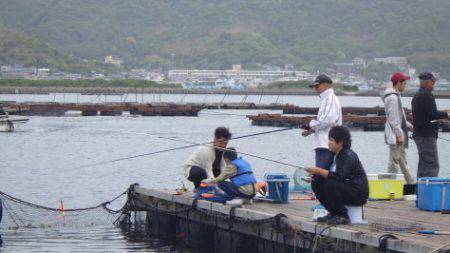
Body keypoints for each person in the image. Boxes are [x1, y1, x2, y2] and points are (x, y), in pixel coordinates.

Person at [306, 126, 369, 225]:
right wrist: (315, 175)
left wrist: (317, 170)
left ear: (340, 143)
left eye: (331, 140)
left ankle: (342, 216)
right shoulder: (333, 154)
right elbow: (326, 173)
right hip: (344, 188)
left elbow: (338, 176)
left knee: (330, 184)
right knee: (316, 181)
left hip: (358, 193)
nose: (328, 143)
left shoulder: (347, 155)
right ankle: (333, 212)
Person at [411, 72, 449, 178]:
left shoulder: (418, 95)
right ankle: (429, 191)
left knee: (423, 166)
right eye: (433, 82)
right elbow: (433, 114)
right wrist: (447, 114)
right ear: (428, 82)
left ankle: (421, 190)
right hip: (426, 137)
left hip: (420, 135)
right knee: (432, 165)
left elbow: (427, 114)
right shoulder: (427, 95)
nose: (434, 84)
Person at [301, 74, 342, 169]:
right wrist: (310, 130)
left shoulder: (330, 99)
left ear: (325, 85)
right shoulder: (326, 99)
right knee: (324, 176)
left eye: (317, 86)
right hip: (324, 145)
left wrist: (309, 124)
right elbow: (326, 123)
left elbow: (326, 120)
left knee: (322, 177)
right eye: (314, 87)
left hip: (326, 146)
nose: (315, 89)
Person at [382, 72, 414, 184]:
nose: (405, 85)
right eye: (404, 82)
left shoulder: (395, 96)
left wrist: (409, 125)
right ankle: (388, 187)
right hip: (396, 136)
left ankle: (411, 185)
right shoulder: (393, 98)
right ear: (399, 83)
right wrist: (399, 134)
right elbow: (393, 119)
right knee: (394, 162)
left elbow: (400, 116)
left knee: (402, 161)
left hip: (398, 134)